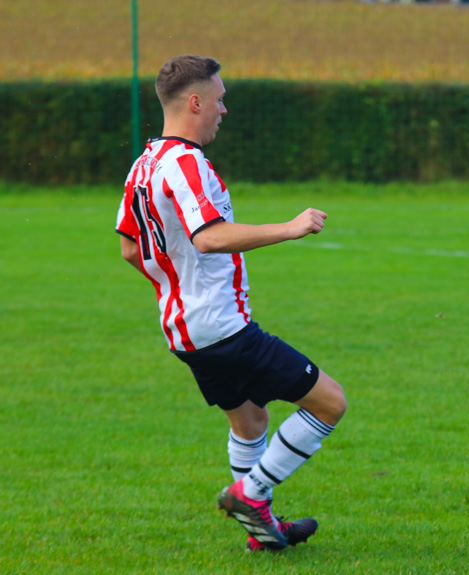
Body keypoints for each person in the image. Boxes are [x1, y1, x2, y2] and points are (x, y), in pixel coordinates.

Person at [116, 55, 347, 551]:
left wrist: (174, 285)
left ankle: (261, 534)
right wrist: (291, 227)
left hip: (184, 330)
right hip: (221, 326)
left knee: (250, 421)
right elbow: (210, 238)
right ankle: (253, 492)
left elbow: (131, 247)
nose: (224, 109)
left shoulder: (145, 164)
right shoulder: (185, 163)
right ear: (195, 101)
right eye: (219, 100)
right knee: (329, 403)